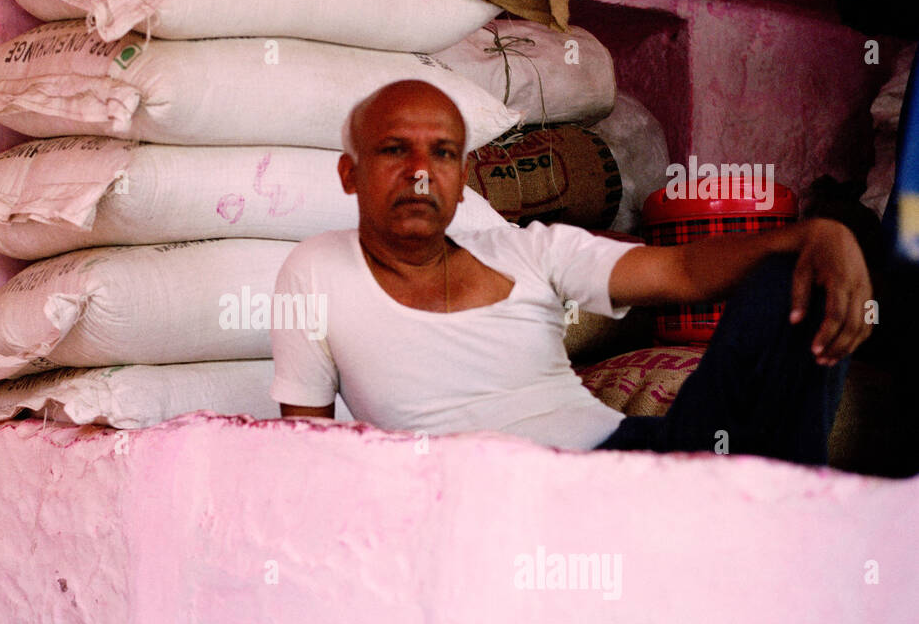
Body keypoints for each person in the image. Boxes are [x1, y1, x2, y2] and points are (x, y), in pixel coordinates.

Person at [270, 80, 873, 464]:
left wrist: (815, 233)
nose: (422, 171)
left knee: (787, 279)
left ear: (461, 179)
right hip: (494, 503)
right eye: (394, 149)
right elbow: (311, 456)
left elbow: (682, 271)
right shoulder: (315, 272)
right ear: (350, 174)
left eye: (444, 152)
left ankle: (794, 521)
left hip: (627, 461)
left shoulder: (527, 249)